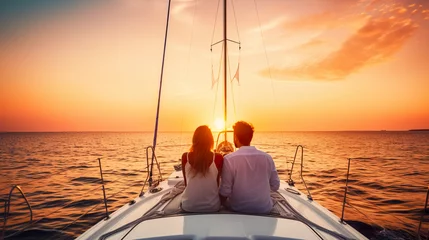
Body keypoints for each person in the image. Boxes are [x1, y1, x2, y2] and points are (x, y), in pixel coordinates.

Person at [219, 121, 280, 214]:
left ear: (235, 137)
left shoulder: (229, 159)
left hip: (237, 208)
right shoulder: (267, 158)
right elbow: (275, 186)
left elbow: (225, 191)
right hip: (264, 208)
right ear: (250, 137)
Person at [181, 125, 224, 212]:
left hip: (189, 206)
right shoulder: (218, 158)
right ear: (211, 141)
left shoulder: (185, 157)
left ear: (194, 140)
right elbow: (217, 184)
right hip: (212, 206)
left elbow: (186, 184)